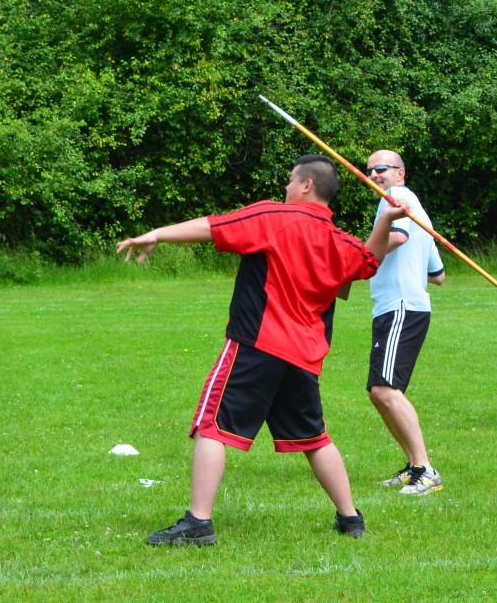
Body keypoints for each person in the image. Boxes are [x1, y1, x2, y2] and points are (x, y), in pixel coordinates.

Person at [116, 155, 407, 546]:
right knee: (315, 437)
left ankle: (198, 523)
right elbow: (368, 260)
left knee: (211, 426)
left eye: (290, 180)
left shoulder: (274, 215)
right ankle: (350, 518)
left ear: (306, 185)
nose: (286, 187)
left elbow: (213, 227)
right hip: (304, 356)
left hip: (257, 345)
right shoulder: (338, 240)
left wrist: (157, 233)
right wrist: (386, 221)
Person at [364, 151, 446, 495]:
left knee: (385, 390)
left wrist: (361, 256)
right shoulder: (415, 208)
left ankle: (426, 470)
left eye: (380, 169)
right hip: (398, 306)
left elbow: (397, 237)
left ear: (400, 173)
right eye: (369, 171)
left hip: (401, 306)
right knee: (379, 392)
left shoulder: (396, 199)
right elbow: (438, 275)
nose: (373, 175)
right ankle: (414, 465)